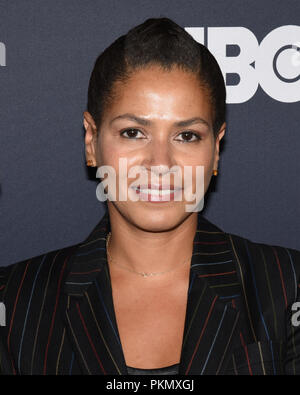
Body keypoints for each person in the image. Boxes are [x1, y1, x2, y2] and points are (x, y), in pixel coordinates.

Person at [0, 17, 300, 376]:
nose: (161, 164)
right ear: (91, 142)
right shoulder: (15, 299)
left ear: (216, 150)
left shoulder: (287, 286)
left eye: (186, 136)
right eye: (133, 132)